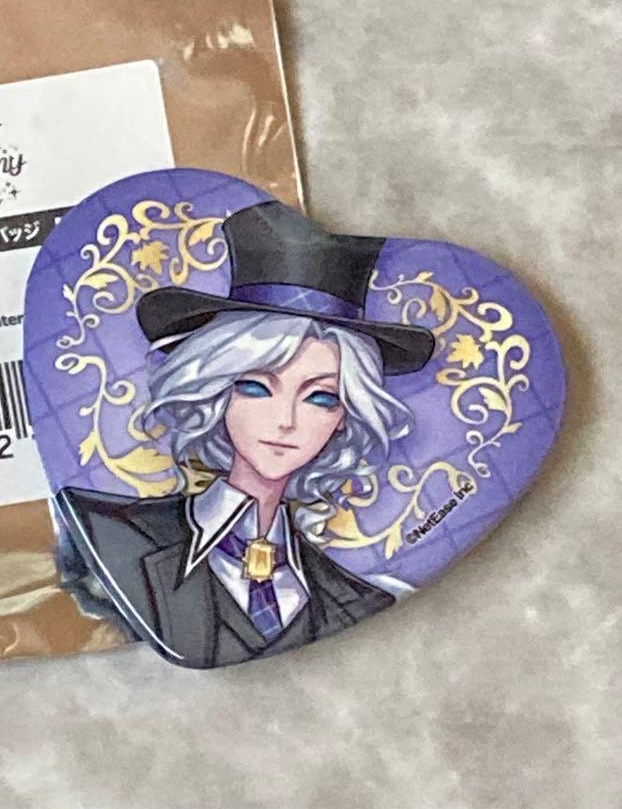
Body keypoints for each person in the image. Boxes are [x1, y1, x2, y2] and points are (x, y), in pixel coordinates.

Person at [56, 201, 435, 669]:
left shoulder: (353, 598)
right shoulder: (101, 530)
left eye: (320, 397)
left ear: (344, 417)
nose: (285, 420)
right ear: (217, 391)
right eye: (256, 387)